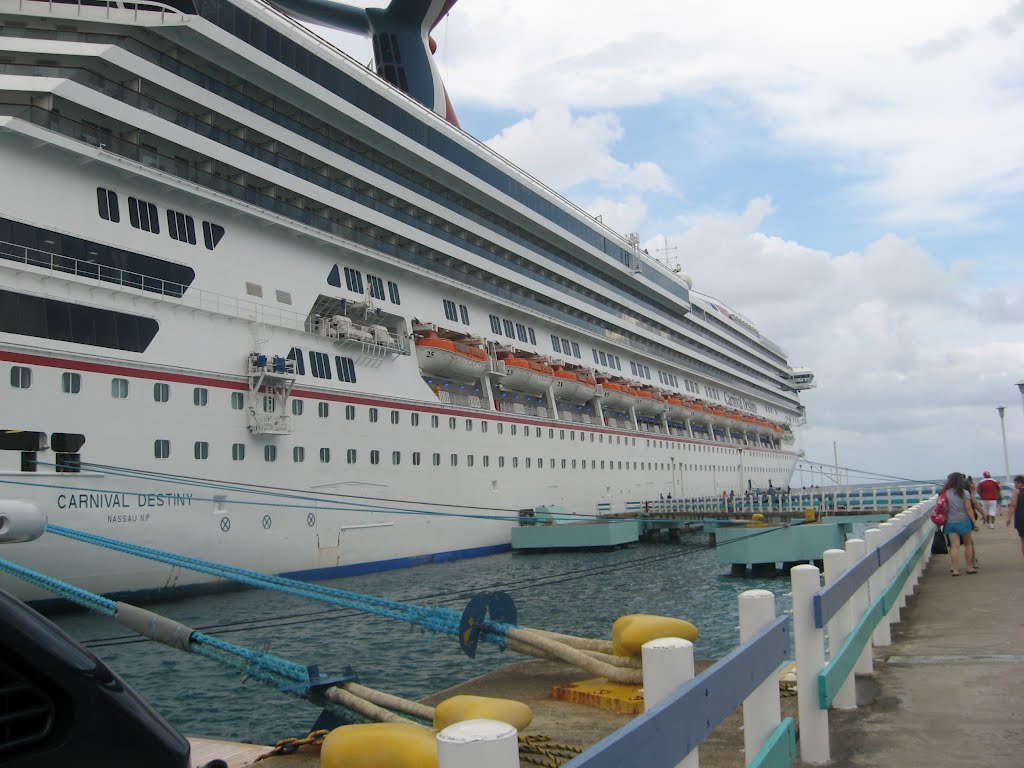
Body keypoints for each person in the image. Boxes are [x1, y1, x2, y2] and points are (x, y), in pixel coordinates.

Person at [940, 472, 978, 576]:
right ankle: (969, 567)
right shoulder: (964, 492)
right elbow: (969, 508)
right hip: (964, 521)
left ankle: (955, 570)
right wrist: (974, 522)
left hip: (950, 522)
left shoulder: (945, 493)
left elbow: (943, 508)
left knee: (954, 546)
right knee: (968, 544)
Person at [1006, 475, 1024, 557]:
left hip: (1021, 518)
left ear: (1020, 483)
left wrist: (1008, 518)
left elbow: (1013, 505)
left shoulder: (1017, 492)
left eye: (1015, 483)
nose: (1015, 485)